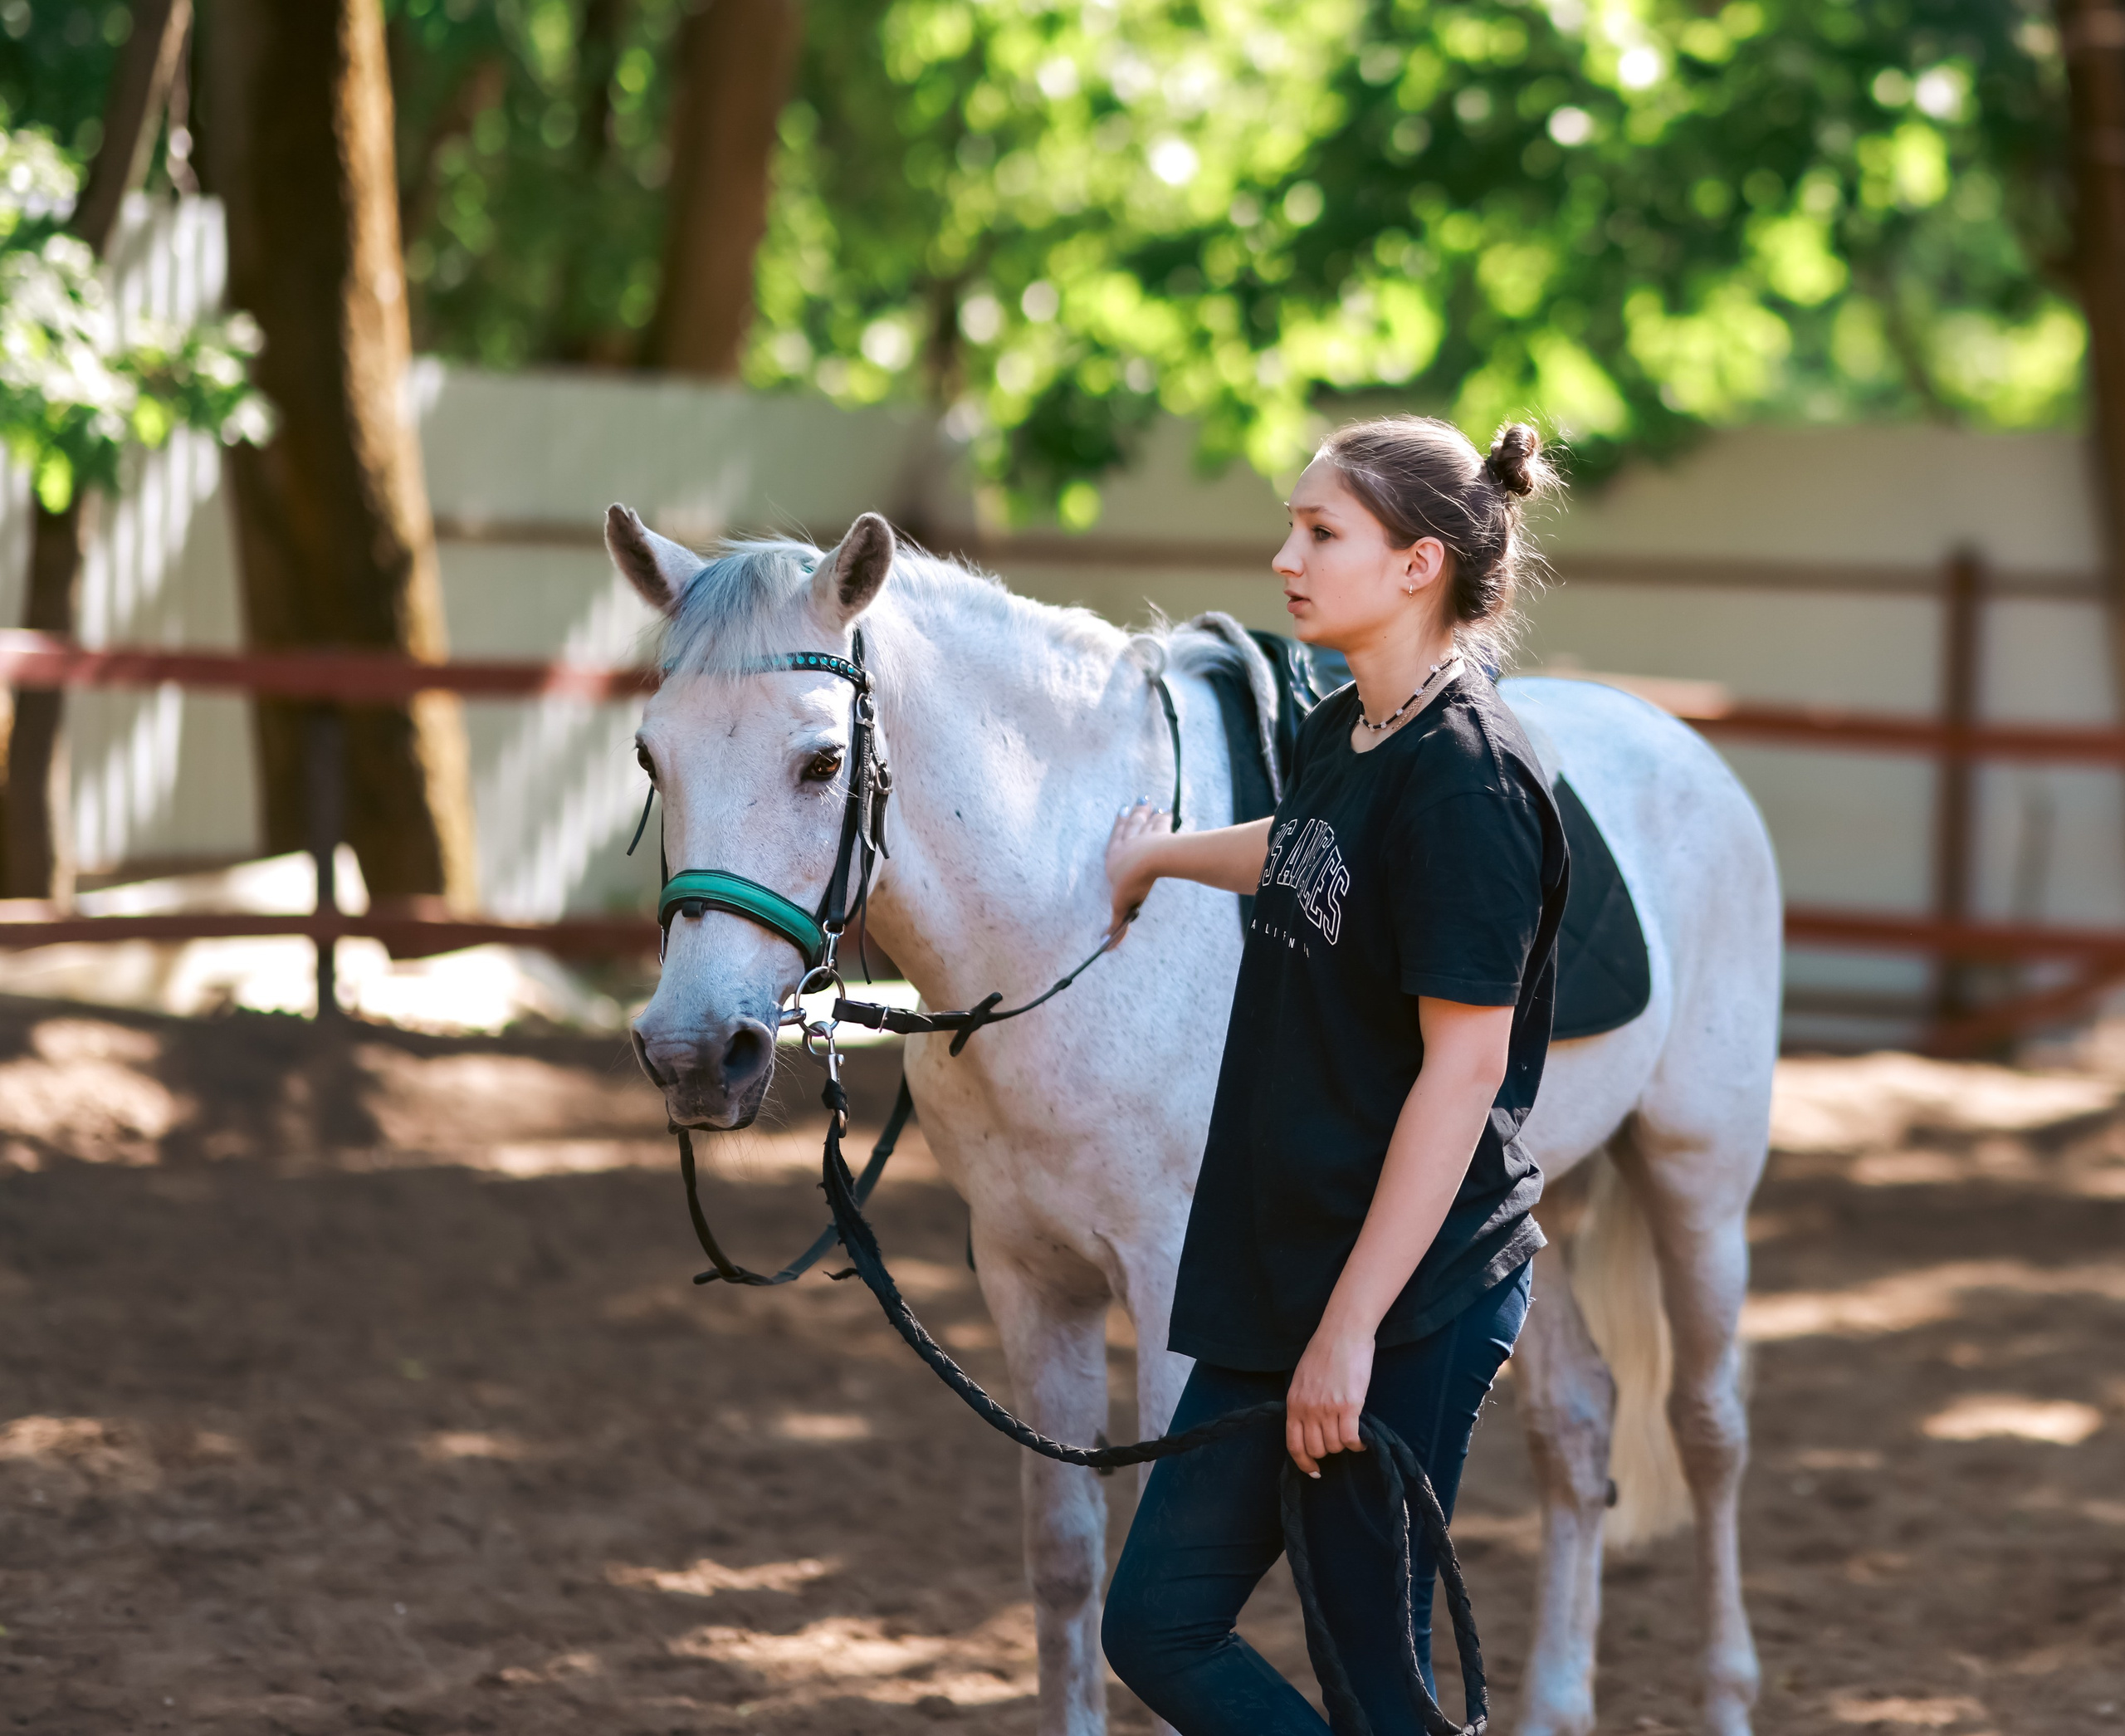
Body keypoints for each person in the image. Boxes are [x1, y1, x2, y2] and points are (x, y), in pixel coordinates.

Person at [1097, 414, 1571, 1734]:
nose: (1284, 557)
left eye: (1321, 533)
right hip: (1289, 1266)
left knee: (1371, 1679)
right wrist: (1160, 856)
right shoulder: (1345, 727)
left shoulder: (1469, 785)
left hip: (1405, 1298)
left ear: (1419, 564)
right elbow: (1309, 848)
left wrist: (1348, 1334)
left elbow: (1464, 1071)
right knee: (1157, 1620)